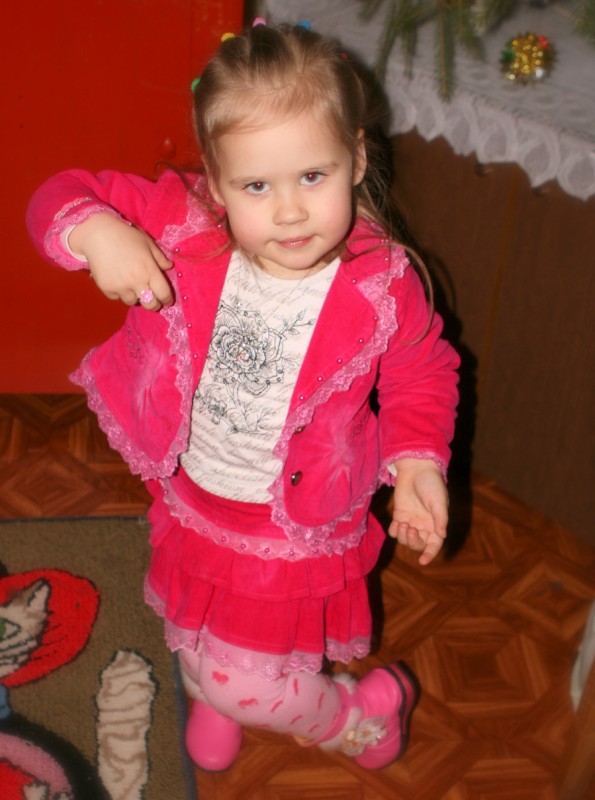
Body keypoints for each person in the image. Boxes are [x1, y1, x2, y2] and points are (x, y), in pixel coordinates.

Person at [26, 20, 459, 772]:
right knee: (192, 632)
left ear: (357, 158)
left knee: (251, 681)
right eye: (257, 186)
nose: (289, 211)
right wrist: (95, 231)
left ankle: (356, 716)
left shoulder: (382, 285)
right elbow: (57, 194)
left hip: (291, 527)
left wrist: (418, 461)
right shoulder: (183, 224)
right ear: (217, 180)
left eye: (313, 177)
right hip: (198, 500)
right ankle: (214, 693)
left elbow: (421, 372)